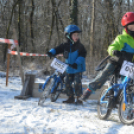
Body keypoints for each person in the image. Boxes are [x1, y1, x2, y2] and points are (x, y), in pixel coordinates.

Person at [81, 12, 134, 101]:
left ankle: (127, 103)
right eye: (131, 27)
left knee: (129, 84)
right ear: (126, 28)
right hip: (117, 61)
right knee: (105, 73)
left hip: (129, 65)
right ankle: (90, 89)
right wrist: (114, 51)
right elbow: (113, 46)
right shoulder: (121, 38)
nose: (133, 29)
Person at [47, 25, 87, 104]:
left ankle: (79, 99)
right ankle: (70, 98)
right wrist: (51, 52)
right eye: (74, 35)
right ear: (68, 36)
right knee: (67, 82)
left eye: (77, 35)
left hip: (77, 68)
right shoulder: (65, 45)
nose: (77, 37)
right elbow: (57, 49)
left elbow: (82, 56)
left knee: (77, 82)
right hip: (68, 68)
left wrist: (76, 63)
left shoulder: (80, 46)